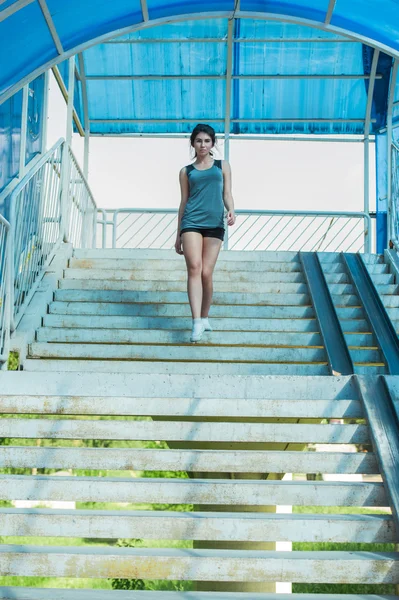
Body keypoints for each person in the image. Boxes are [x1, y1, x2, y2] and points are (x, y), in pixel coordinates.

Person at [175, 124, 236, 342]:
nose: (203, 144)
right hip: (191, 222)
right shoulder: (186, 172)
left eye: (207, 141)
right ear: (193, 143)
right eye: (199, 140)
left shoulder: (222, 166)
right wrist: (178, 234)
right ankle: (196, 322)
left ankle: (205, 315)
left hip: (214, 223)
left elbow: (227, 193)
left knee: (206, 273)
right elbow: (183, 202)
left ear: (213, 143)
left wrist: (232, 210)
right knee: (194, 267)